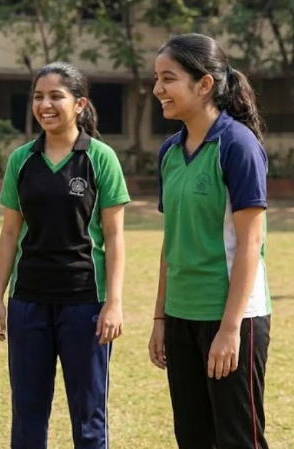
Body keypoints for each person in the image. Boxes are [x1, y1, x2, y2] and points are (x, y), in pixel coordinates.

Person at [0, 61, 130, 449]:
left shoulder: (100, 158)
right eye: (38, 97)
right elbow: (10, 233)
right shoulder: (21, 160)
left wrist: (114, 304)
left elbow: (115, 237)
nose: (44, 105)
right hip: (28, 301)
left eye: (55, 96)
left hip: (85, 302)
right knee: (27, 413)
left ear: (79, 104)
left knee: (89, 415)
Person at [149, 32, 271, 449]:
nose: (157, 89)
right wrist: (161, 320)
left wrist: (230, 329)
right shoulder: (169, 151)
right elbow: (171, 242)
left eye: (168, 78)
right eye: (156, 78)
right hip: (181, 315)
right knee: (192, 437)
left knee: (239, 439)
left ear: (204, 84)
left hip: (231, 317)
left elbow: (251, 243)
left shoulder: (238, 145)